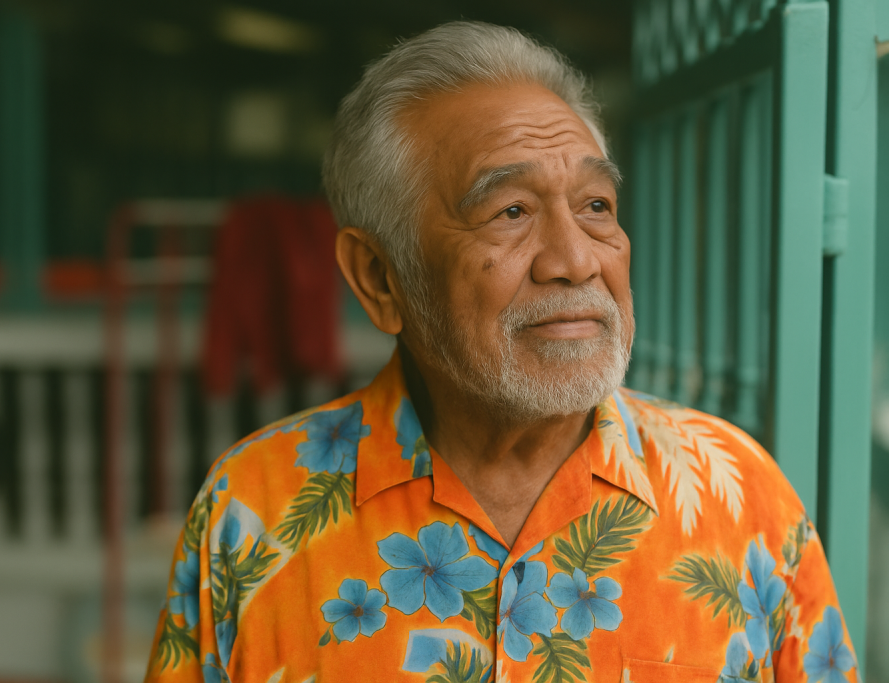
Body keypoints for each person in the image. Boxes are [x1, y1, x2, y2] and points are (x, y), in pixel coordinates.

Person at [145, 21, 858, 683]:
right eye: (511, 211)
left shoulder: (739, 496)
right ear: (379, 277)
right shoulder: (252, 514)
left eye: (596, 206)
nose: (576, 259)